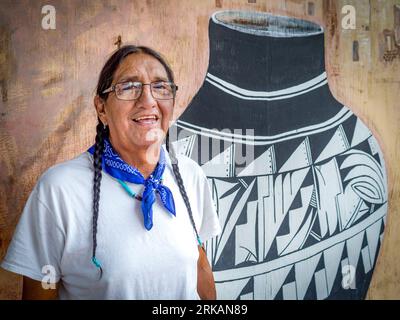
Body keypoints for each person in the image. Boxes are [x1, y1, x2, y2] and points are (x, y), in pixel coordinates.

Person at [0, 45, 222, 299]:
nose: (148, 101)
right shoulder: (59, 189)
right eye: (129, 87)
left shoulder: (189, 175)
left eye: (160, 87)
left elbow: (200, 266)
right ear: (102, 108)